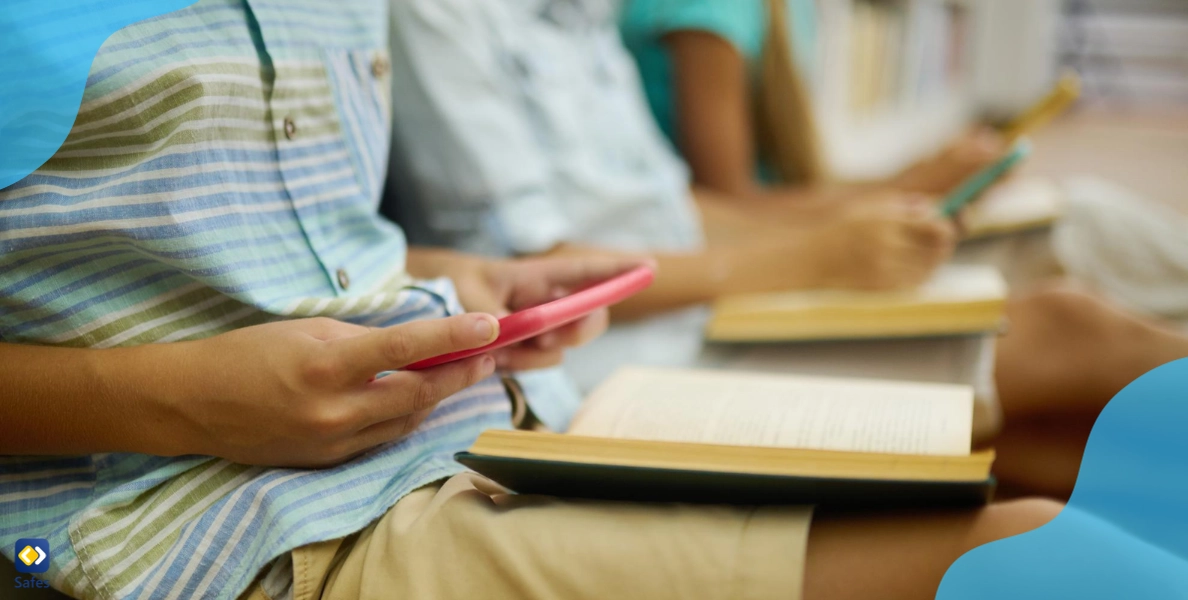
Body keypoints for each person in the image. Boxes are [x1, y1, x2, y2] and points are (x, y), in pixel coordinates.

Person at [0, 1, 1065, 599]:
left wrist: (469, 276)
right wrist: (168, 396)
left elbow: (288, 240)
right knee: (1033, 546)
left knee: (1047, 423)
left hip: (499, 426)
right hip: (193, 527)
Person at [385, 0, 1188, 501]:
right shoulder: (445, 13)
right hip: (620, 349)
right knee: (1066, 330)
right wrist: (812, 257)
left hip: (697, 296)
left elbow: (680, 206)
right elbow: (535, 267)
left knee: (1055, 430)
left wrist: (844, 230)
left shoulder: (579, 18)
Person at [620, 0, 1006, 209]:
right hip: (733, 242)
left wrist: (920, 176)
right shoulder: (709, 10)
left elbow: (789, 183)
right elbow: (728, 204)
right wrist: (911, 185)